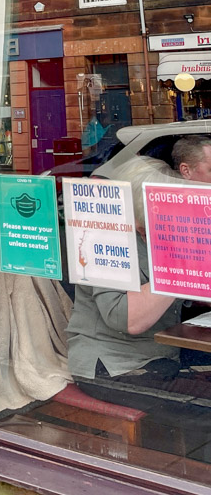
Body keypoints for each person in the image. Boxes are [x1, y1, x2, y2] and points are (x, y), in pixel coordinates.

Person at [66, 148, 211, 459]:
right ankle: (188, 480)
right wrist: (180, 266)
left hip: (157, 358)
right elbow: (127, 319)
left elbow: (186, 298)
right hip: (114, 368)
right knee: (205, 407)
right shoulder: (103, 239)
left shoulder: (150, 237)